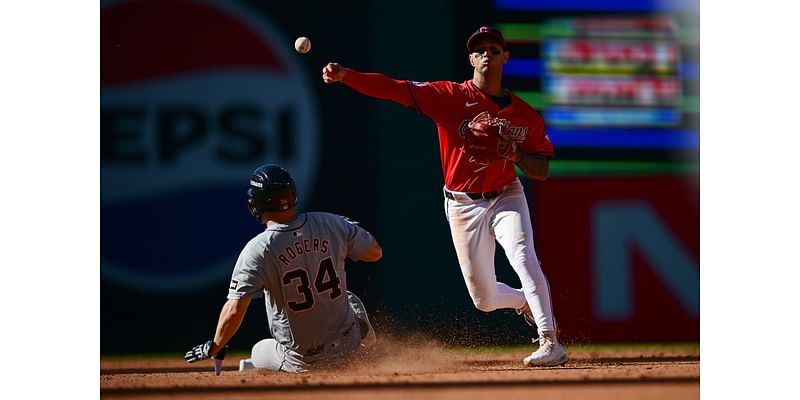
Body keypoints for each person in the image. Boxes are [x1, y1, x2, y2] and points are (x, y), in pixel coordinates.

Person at [321, 26, 566, 366]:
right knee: (484, 298)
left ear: (505, 57)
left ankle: (549, 340)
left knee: (523, 257)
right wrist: (348, 76)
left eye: (494, 49)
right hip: (462, 204)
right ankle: (525, 301)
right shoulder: (449, 97)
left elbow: (542, 169)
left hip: (506, 195)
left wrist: (516, 156)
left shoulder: (525, 115)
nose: (486, 55)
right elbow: (396, 89)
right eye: (479, 50)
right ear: (470, 59)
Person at [185, 164, 383, 373]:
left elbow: (234, 310)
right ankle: (362, 338)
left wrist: (215, 345)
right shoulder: (330, 222)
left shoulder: (258, 248)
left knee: (257, 351)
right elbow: (375, 253)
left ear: (256, 203)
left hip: (303, 361)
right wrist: (348, 230)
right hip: (347, 347)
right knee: (347, 297)